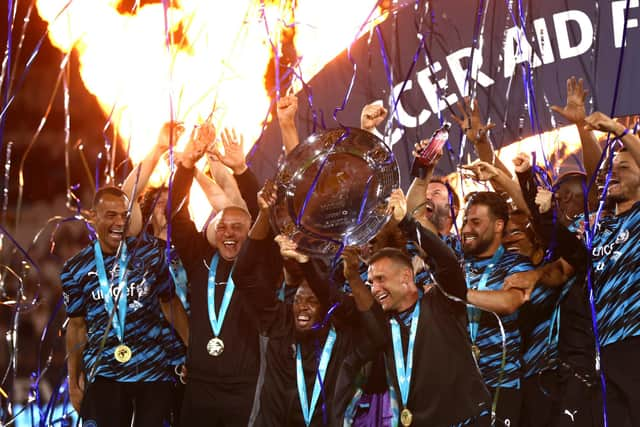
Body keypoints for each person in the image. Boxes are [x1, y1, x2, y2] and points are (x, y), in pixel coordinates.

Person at [232, 183, 384, 426]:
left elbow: (374, 331)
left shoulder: (344, 340)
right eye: (299, 300)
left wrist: (308, 264)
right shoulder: (281, 322)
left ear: (326, 308)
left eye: (312, 301)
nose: (302, 306)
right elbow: (242, 275)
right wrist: (262, 215)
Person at [345, 189, 491, 426]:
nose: (374, 288)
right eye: (371, 282)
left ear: (405, 276)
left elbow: (446, 261)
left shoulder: (443, 301)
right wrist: (352, 275)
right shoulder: (384, 326)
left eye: (381, 279)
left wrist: (407, 223)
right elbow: (356, 305)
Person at [61, 186, 189, 426]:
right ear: (92, 217)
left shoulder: (151, 254)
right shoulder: (74, 269)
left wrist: (193, 353)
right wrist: (73, 383)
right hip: (105, 372)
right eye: (111, 215)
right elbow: (77, 327)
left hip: (152, 370)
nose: (120, 222)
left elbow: (170, 303)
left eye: (124, 215)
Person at [169, 121, 261, 426]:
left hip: (244, 390)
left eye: (238, 227)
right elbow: (176, 216)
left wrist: (242, 170)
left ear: (250, 233)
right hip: (199, 387)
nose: (229, 234)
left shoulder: (257, 262)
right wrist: (186, 165)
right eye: (222, 227)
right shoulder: (199, 259)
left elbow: (266, 216)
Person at [461, 191, 533, 426]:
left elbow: (509, 302)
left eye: (476, 222)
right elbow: (420, 222)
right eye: (465, 221)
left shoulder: (516, 263)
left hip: (501, 384)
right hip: (459, 385)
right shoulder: (456, 263)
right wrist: (423, 176)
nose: (466, 228)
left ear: (498, 225)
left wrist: (459, 295)